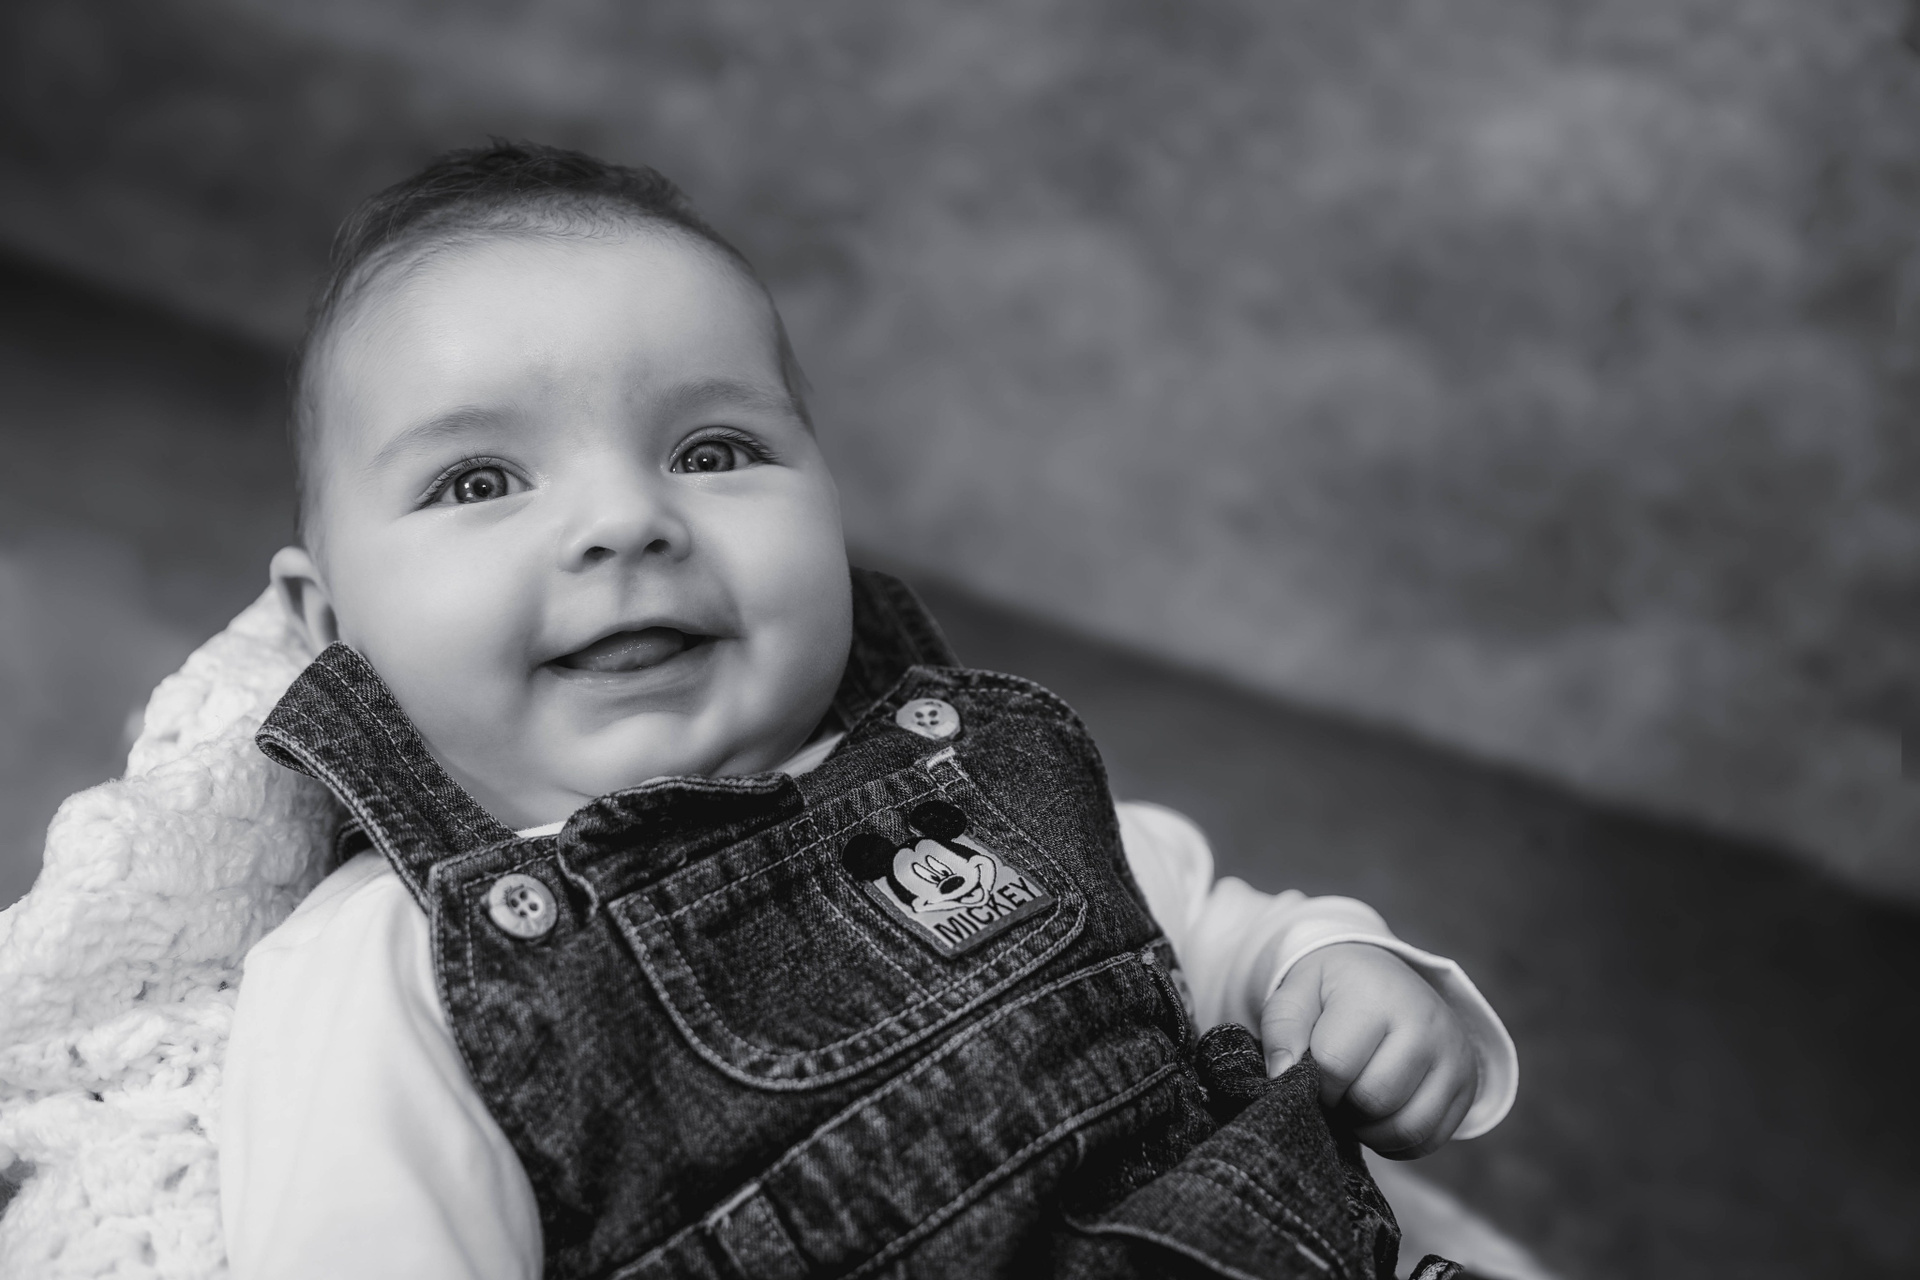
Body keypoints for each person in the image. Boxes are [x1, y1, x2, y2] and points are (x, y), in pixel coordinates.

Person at [219, 140, 1517, 1280]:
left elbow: (1202, 934)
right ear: (330, 628)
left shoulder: (963, 776)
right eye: (479, 480)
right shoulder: (398, 975)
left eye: (712, 452)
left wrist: (1334, 974)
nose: (625, 520)